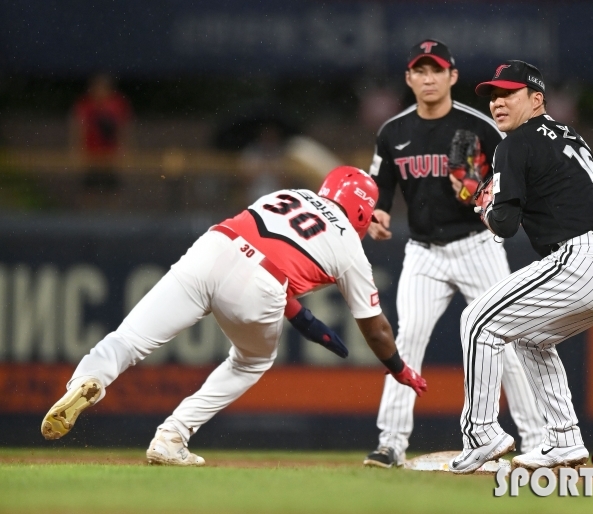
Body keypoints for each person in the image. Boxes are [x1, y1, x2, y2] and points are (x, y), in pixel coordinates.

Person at [40, 166, 428, 466]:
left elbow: (267, 248)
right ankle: (172, 436)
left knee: (129, 338)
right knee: (252, 361)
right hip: (259, 285)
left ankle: (88, 378)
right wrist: (398, 368)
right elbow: (375, 329)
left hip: (214, 246)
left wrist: (301, 317)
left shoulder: (291, 193)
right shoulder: (349, 247)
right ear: (364, 211)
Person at [447, 60, 593, 474]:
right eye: (493, 96)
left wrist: (483, 204)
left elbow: (504, 223)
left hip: (584, 259)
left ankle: (481, 434)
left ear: (536, 99)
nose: (498, 103)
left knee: (477, 322)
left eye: (509, 94)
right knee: (530, 339)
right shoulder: (567, 135)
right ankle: (564, 440)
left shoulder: (515, 143)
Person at [363, 39, 544, 468]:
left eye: (436, 70)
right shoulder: (393, 132)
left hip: (476, 247)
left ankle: (537, 442)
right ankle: (391, 443)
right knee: (405, 341)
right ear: (409, 78)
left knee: (508, 342)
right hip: (423, 252)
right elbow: (380, 189)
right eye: (420, 71)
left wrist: (485, 190)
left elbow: (514, 174)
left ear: (452, 76)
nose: (428, 78)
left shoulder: (481, 126)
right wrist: (378, 215)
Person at [70, 74, 132, 199]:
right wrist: (76, 150)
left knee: (112, 190)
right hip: (91, 156)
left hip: (111, 156)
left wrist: (126, 150)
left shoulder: (117, 104)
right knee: (89, 190)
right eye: (97, 87)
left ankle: (113, 217)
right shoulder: (85, 105)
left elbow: (124, 129)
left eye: (103, 88)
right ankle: (89, 217)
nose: (99, 91)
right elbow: (77, 129)